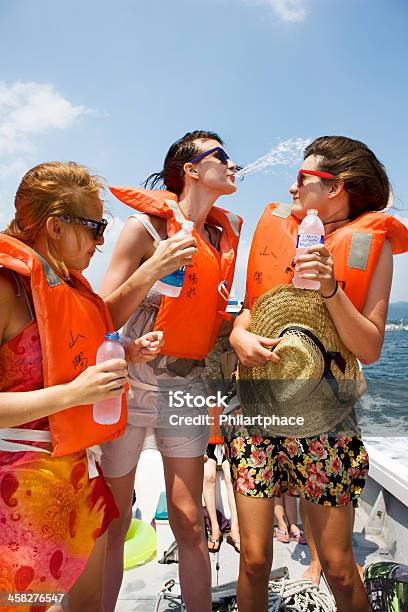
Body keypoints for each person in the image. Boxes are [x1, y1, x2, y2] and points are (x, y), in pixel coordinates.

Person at [0, 161, 195, 611]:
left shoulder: (64, 285)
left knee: (88, 602)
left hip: (77, 480)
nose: (102, 240)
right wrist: (74, 394)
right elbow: (66, 384)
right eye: (94, 227)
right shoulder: (7, 286)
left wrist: (124, 352)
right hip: (17, 490)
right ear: (54, 226)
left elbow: (90, 331)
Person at [225, 136, 408, 612]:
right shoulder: (277, 231)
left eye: (303, 178)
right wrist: (237, 336)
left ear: (336, 188)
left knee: (341, 568)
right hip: (258, 417)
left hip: (328, 423)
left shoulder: (373, 245)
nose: (292, 185)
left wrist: (331, 288)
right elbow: (249, 311)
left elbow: (368, 346)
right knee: (253, 560)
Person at [98, 131, 242, 612]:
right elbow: (102, 318)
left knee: (187, 516)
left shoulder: (222, 238)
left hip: (189, 384)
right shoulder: (145, 230)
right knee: (115, 521)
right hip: (132, 386)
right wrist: (153, 269)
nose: (232, 161)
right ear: (192, 170)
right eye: (220, 155)